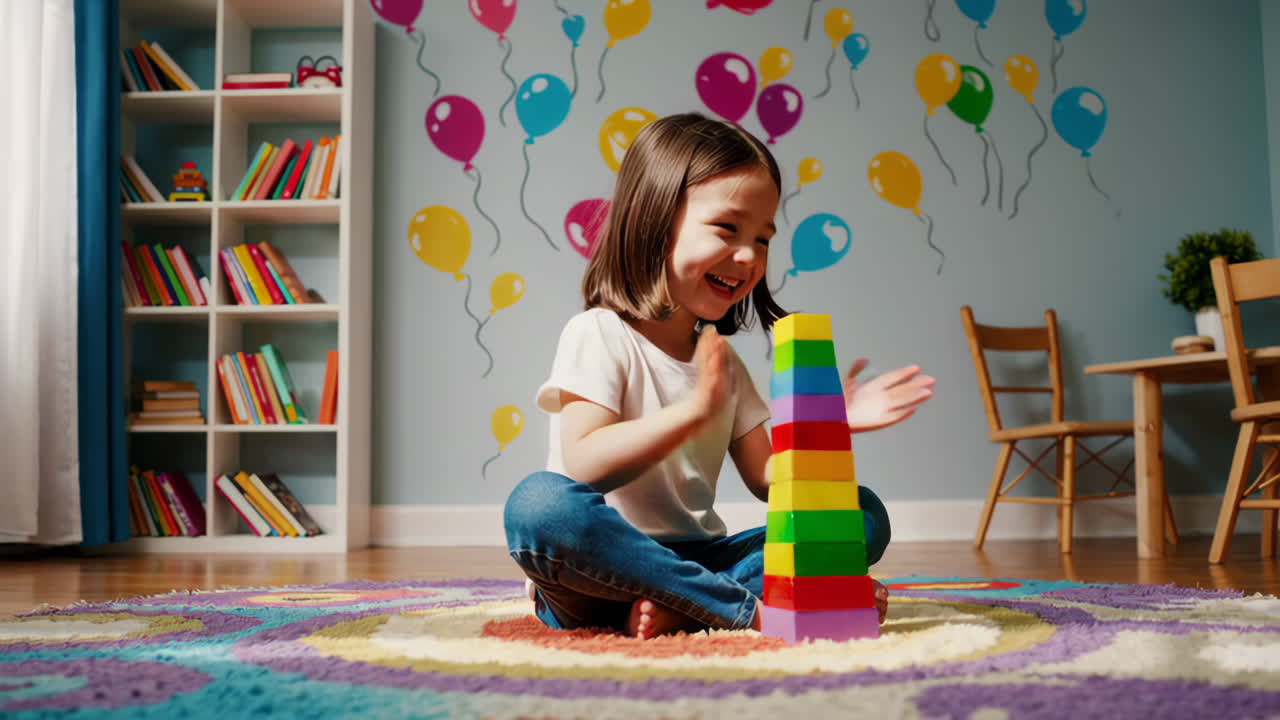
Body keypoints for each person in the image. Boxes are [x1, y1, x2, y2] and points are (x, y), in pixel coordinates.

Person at [503, 112, 935, 639]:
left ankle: (688, 606)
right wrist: (692, 414)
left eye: (764, 238)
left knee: (862, 512)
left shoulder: (723, 364)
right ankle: (744, 608)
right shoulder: (598, 333)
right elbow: (586, 463)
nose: (750, 255)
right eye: (729, 229)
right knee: (539, 506)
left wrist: (827, 425)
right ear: (655, 220)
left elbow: (768, 481)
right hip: (600, 570)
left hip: (700, 556)